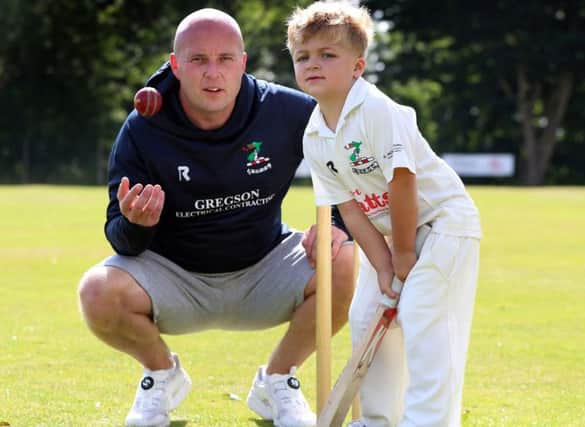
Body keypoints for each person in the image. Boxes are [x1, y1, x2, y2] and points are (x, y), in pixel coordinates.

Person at [77, 8, 356, 427]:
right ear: (175, 65)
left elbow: (351, 167)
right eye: (198, 60)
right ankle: (161, 374)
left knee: (345, 259)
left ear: (243, 62)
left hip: (264, 266)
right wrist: (137, 223)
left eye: (226, 59)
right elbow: (120, 238)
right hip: (175, 276)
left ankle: (278, 380)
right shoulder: (143, 128)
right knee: (97, 291)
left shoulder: (286, 110)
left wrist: (338, 226)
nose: (213, 73)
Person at [286, 2, 482, 426]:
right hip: (390, 239)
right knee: (366, 315)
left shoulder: (376, 110)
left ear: (357, 66)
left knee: (421, 315)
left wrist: (405, 254)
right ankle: (377, 420)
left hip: (443, 225)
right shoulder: (315, 135)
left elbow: (402, 182)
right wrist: (384, 266)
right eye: (303, 56)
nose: (312, 64)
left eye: (327, 55)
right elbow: (350, 210)